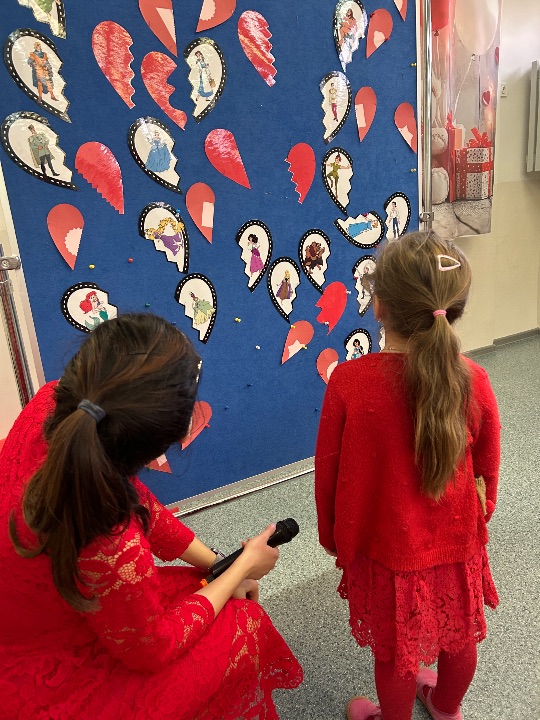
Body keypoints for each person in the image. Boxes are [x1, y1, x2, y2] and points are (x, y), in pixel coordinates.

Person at [0, 313, 302, 719]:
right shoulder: (111, 537)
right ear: (161, 445)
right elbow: (152, 650)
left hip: (20, 613)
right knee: (241, 619)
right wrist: (242, 568)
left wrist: (218, 563)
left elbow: (140, 504)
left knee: (201, 585)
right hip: (41, 667)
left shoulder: (55, 406)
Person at [315, 232, 500, 720]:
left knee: (396, 651)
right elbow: (487, 469)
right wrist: (480, 516)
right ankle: (447, 708)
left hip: (385, 546)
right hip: (458, 540)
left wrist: (332, 536)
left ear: (379, 306)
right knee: (460, 636)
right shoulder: (475, 379)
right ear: (453, 308)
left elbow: (329, 473)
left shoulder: (349, 383)